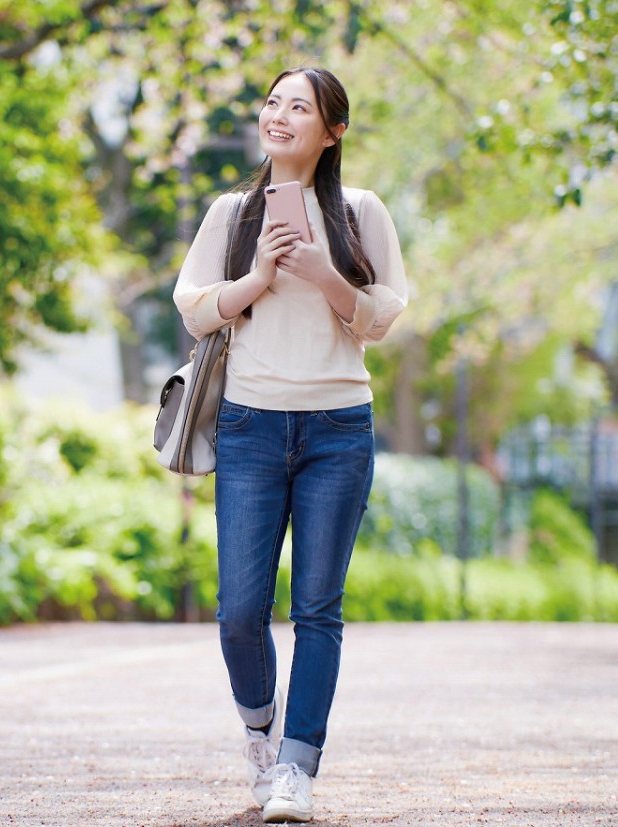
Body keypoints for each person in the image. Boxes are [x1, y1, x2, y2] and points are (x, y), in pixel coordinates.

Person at [173, 67, 409, 823]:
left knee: (317, 608)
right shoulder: (233, 212)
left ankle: (297, 768)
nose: (279, 116)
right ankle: (259, 731)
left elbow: (382, 314)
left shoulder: (362, 211)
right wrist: (261, 274)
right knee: (240, 612)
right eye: (273, 103)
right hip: (249, 424)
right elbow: (195, 307)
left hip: (339, 427)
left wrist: (324, 273)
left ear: (332, 131)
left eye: (299, 107)